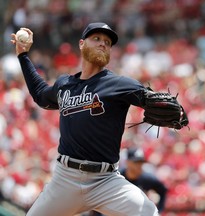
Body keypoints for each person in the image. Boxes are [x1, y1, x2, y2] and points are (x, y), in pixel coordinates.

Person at [9, 22, 187, 216]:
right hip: (65, 180)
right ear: (81, 44)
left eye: (108, 42)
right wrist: (23, 55)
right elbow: (41, 95)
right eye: (96, 39)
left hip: (106, 181)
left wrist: (175, 111)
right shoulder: (64, 85)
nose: (103, 43)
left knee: (148, 213)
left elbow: (153, 101)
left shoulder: (119, 84)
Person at [90, 147, 168, 216]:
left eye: (141, 162)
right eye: (136, 162)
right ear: (128, 162)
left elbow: (163, 190)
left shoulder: (147, 179)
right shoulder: (116, 177)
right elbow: (98, 194)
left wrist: (159, 211)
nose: (139, 166)